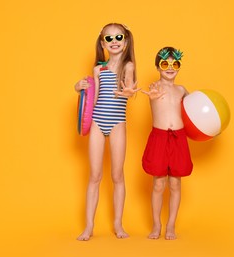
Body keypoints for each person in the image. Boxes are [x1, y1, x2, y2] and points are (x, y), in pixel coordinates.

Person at [74, 23, 140, 241]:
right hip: (97, 122)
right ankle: (89, 226)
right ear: (103, 43)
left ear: (126, 41)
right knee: (94, 175)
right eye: (109, 39)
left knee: (117, 175)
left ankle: (118, 225)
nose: (114, 42)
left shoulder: (127, 66)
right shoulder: (98, 69)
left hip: (117, 123)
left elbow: (128, 90)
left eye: (118, 37)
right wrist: (79, 87)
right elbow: (90, 99)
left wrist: (128, 92)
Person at [141, 47, 193, 240]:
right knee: (158, 184)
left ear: (179, 67)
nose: (170, 68)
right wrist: (153, 94)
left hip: (179, 138)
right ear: (158, 67)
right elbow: (152, 97)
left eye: (174, 64)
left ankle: (171, 226)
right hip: (160, 137)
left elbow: (194, 113)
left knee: (175, 184)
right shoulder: (155, 87)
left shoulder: (182, 90)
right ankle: (157, 225)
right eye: (165, 64)